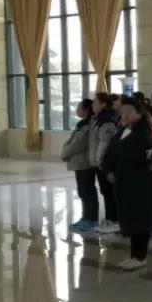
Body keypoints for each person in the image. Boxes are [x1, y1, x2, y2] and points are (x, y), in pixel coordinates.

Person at [104, 97, 152, 271]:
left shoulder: (144, 134)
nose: (125, 115)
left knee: (139, 219)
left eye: (129, 112)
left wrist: (117, 170)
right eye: (122, 112)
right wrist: (109, 170)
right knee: (129, 219)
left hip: (137, 183)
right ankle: (134, 255)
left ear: (139, 113)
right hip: (122, 182)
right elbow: (111, 152)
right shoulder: (122, 130)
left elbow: (136, 158)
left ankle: (141, 256)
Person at [63, 99, 97, 231]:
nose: (77, 109)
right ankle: (85, 217)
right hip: (79, 163)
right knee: (82, 191)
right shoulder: (81, 124)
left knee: (87, 191)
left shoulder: (89, 125)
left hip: (85, 163)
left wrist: (65, 153)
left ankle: (91, 219)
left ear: (86, 109)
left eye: (79, 107)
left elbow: (80, 144)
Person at [88, 93, 119, 233]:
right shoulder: (98, 119)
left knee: (109, 192)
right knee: (105, 191)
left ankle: (113, 220)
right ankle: (110, 219)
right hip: (99, 162)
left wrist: (99, 161)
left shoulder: (106, 120)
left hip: (105, 163)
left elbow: (104, 143)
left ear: (103, 104)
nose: (93, 104)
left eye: (95, 101)